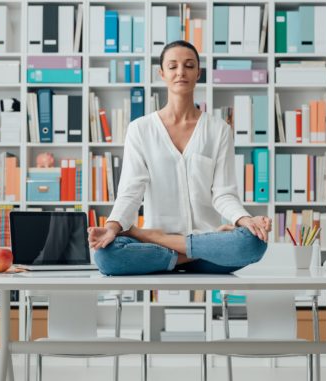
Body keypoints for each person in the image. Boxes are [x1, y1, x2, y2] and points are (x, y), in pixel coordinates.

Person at [89, 40, 272, 275]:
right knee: (106, 257)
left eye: (189, 65)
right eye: (173, 66)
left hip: (198, 238)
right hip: (201, 252)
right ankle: (184, 253)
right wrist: (113, 227)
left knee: (253, 242)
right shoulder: (140, 129)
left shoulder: (218, 130)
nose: (181, 72)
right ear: (162, 73)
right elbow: (131, 190)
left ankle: (157, 242)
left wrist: (245, 220)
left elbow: (224, 193)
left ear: (198, 73)